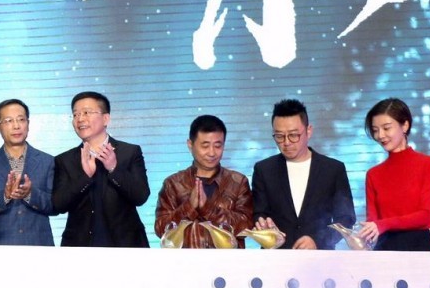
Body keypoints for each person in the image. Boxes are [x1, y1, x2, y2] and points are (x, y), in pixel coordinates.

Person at [251, 99, 355, 249]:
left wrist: (317, 240)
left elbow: (346, 219)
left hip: (320, 257)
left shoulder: (333, 169)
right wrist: (263, 225)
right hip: (277, 256)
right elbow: (259, 213)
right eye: (279, 136)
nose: (286, 142)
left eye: (293, 135)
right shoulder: (264, 170)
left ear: (308, 131)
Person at [53, 91, 150, 247]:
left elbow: (141, 196)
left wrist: (113, 168)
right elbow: (59, 204)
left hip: (125, 246)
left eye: (86, 112)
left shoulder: (129, 152)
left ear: (106, 119)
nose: (80, 119)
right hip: (79, 248)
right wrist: (85, 177)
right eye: (75, 114)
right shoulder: (65, 160)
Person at [154, 115, 253, 248]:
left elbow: (246, 227)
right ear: (190, 145)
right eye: (205, 146)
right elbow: (161, 230)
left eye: (218, 146)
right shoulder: (173, 184)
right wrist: (188, 207)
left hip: (227, 260)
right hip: (186, 260)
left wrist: (208, 209)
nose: (212, 153)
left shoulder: (238, 182)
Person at [358, 98, 430, 251]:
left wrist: (383, 224)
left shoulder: (429, 164)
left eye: (386, 128)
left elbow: (426, 216)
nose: (380, 135)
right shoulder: (373, 174)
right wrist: (364, 234)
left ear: (405, 125)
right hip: (386, 248)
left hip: (421, 246)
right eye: (375, 130)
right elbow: (373, 221)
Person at [0, 98, 55, 245]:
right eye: (8, 121)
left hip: (39, 247)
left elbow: (55, 205)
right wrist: (4, 196)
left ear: (28, 124)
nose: (16, 126)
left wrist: (30, 194)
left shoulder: (48, 161)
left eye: (21, 119)